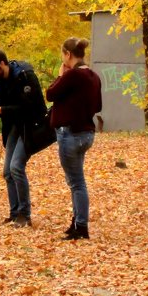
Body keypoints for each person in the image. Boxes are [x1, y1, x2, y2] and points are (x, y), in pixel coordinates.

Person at [0, 48, 49, 228]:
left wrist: (0, 110)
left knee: (16, 167)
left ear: (2, 64)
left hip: (31, 127)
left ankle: (24, 216)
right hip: (14, 127)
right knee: (7, 172)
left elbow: (30, 109)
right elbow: (4, 107)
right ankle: (14, 213)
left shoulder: (25, 77)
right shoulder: (0, 80)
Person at [46, 37, 102, 240]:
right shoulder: (94, 77)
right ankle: (77, 220)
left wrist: (61, 76)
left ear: (68, 54)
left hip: (70, 134)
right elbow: (97, 107)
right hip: (87, 134)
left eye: (63, 55)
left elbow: (50, 94)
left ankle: (81, 226)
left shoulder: (72, 77)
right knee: (76, 181)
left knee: (76, 183)